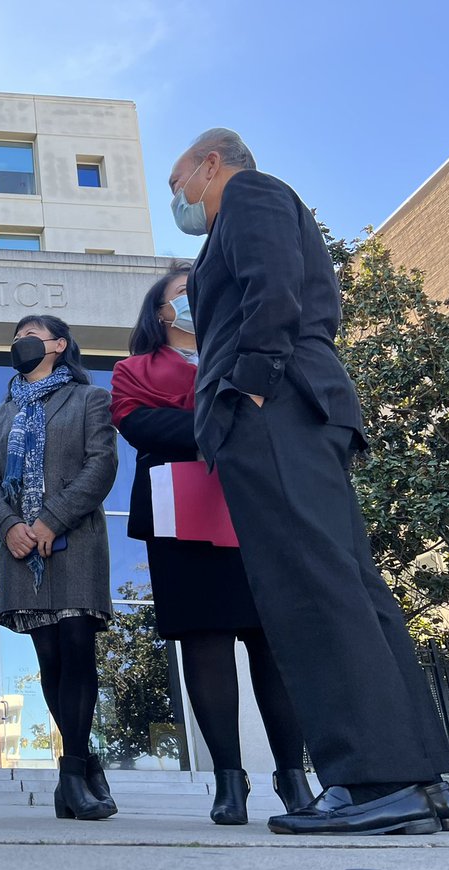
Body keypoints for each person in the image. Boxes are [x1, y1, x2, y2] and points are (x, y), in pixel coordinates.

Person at [168, 127, 449, 835]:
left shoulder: (252, 196)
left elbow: (276, 290)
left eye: (178, 183)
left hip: (277, 414)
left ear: (211, 164)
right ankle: (418, 780)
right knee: (344, 583)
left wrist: (251, 386)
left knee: (311, 588)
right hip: (291, 415)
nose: (178, 199)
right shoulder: (248, 210)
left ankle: (371, 780)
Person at [110, 265, 312, 825]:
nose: (199, 298)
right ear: (161, 312)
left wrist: (209, 420)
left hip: (258, 508)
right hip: (181, 512)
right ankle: (230, 777)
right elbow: (139, 424)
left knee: (272, 643)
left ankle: (293, 776)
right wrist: (225, 420)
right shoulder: (132, 369)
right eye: (184, 292)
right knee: (205, 642)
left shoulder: (254, 354)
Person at [0, 316, 118, 820]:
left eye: (31, 335)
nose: (21, 343)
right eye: (15, 337)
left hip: (74, 542)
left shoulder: (89, 399)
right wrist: (10, 526)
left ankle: (72, 774)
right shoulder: (2, 413)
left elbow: (101, 465)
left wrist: (52, 519)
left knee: (78, 647)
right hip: (21, 553)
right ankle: (86, 764)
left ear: (59, 344)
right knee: (52, 659)